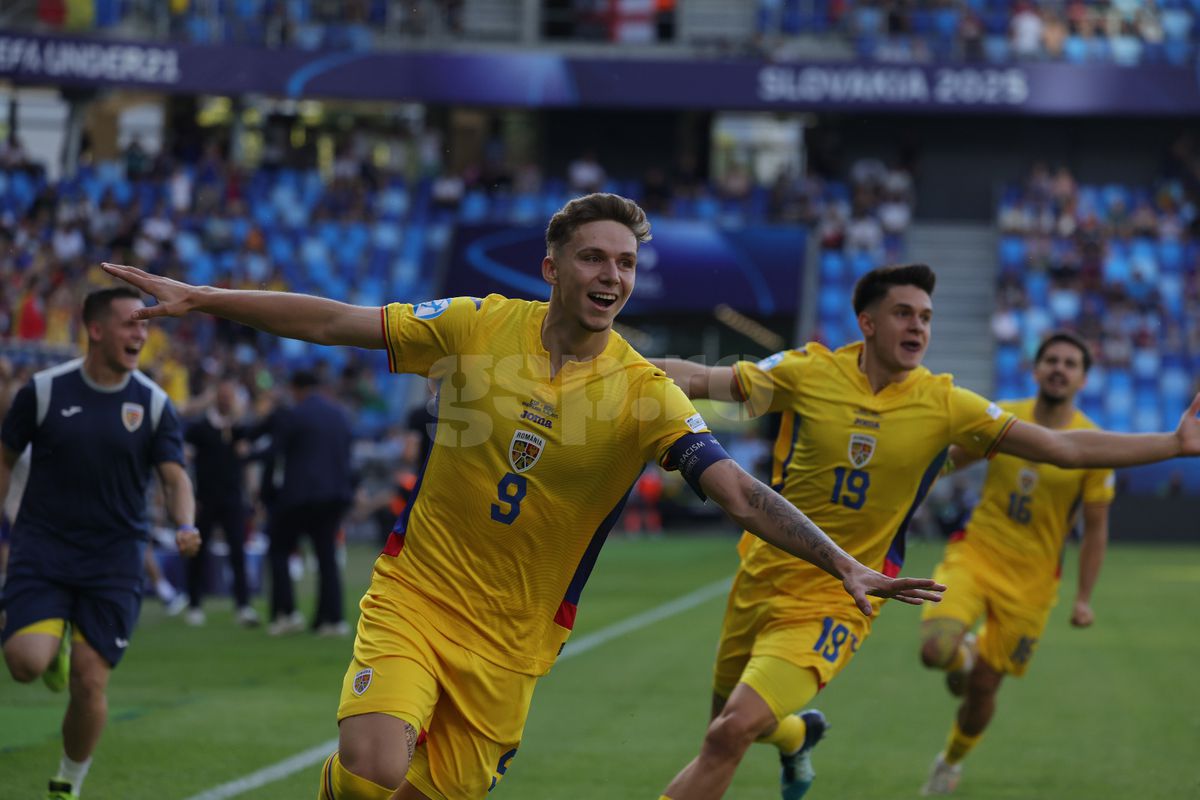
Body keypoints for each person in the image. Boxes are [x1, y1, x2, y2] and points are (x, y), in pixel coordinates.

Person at [99, 193, 944, 800]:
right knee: (370, 772)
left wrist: (842, 563)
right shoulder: (474, 324)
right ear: (552, 268)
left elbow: (739, 493)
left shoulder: (646, 391)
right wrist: (204, 298)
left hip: (514, 647)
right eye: (593, 257)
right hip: (417, 595)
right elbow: (332, 321)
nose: (611, 274)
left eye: (625, 262)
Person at [649, 263, 1200, 800]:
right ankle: (797, 734)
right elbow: (701, 379)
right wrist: (613, 366)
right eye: (904, 313)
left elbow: (1064, 447)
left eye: (927, 317)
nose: (918, 327)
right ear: (867, 322)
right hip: (760, 576)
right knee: (721, 731)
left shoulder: (946, 404)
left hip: (843, 596)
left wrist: (1172, 444)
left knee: (728, 734)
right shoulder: (806, 371)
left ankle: (823, 736)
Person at [0, 287, 200, 800]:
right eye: (130, 324)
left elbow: (175, 477)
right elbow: (5, 458)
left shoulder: (154, 404)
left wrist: (185, 523)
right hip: (42, 548)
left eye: (144, 326)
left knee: (90, 682)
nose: (140, 335)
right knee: (24, 664)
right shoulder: (42, 392)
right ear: (94, 330)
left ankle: (67, 781)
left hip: (114, 558)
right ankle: (53, 644)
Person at [917, 332, 1113, 795]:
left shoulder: (1094, 444)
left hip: (1033, 581)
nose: (1060, 369)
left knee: (984, 686)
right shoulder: (1005, 418)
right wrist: (904, 476)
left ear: (1083, 378)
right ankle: (962, 651)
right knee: (935, 651)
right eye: (1052, 360)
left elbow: (1096, 528)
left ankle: (950, 761)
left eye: (1070, 363)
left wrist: (1084, 598)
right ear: (1036, 369)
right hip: (977, 552)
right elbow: (949, 461)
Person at [260, 369, 355, 636]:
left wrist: (246, 456)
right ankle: (332, 619)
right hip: (334, 496)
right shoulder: (339, 414)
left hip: (299, 498)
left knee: (279, 550)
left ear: (296, 389)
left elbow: (275, 453)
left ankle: (286, 613)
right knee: (327, 557)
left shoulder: (295, 414)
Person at [183, 377, 259, 627]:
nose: (227, 400)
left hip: (232, 498)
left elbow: (248, 460)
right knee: (198, 551)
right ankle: (194, 603)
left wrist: (251, 495)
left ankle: (243, 605)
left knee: (238, 551)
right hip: (205, 499)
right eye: (223, 396)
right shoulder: (200, 428)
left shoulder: (240, 428)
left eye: (230, 396)